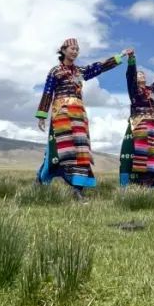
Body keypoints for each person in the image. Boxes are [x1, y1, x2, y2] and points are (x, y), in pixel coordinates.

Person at [36, 39, 128, 202]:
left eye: (77, 49)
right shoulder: (55, 71)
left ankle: (77, 189)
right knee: (59, 151)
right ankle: (41, 182)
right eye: (72, 48)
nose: (75, 51)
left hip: (78, 115)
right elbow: (48, 92)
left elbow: (99, 67)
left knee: (81, 151)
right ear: (63, 50)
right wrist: (42, 115)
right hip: (61, 115)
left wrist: (119, 57)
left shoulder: (79, 71)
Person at [119, 51, 154, 191]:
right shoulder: (133, 90)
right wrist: (132, 60)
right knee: (142, 155)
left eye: (142, 74)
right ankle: (142, 186)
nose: (141, 75)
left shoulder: (152, 90)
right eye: (138, 74)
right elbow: (130, 76)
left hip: (153, 127)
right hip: (140, 125)